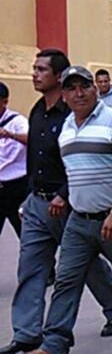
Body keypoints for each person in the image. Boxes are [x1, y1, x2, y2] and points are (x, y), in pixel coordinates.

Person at [13, 66, 112, 354]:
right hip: (78, 219)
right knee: (66, 280)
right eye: (71, 89)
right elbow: (72, 169)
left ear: (95, 89)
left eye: (84, 87)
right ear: (64, 94)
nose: (78, 94)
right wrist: (63, 196)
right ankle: (54, 348)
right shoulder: (66, 127)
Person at [0, 81, 29, 237]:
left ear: (4, 102)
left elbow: (31, 139)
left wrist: (9, 134)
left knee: (24, 235)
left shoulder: (18, 121)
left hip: (16, 187)